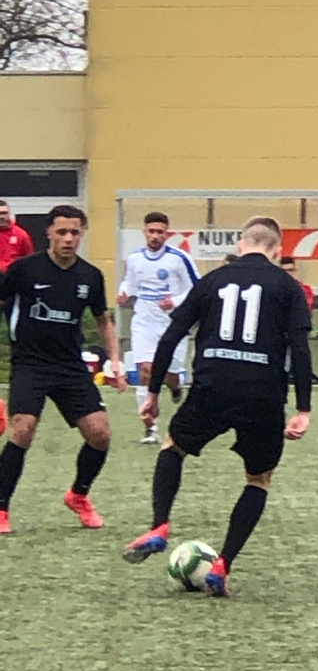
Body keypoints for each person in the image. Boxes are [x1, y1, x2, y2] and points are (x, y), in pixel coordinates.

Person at [122, 216, 312, 597]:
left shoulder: (212, 280)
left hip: (213, 384)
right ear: (276, 251)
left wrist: (154, 392)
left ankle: (160, 525)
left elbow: (171, 335)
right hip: (263, 392)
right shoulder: (288, 286)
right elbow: (301, 349)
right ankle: (222, 565)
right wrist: (303, 409)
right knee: (258, 479)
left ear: (240, 245)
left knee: (173, 446)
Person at [0, 205, 126, 535]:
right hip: (30, 364)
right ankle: (1, 507)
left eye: (75, 232)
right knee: (23, 430)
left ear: (82, 234)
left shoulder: (90, 276)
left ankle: (78, 495)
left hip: (70, 366)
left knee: (100, 434)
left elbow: (103, 320)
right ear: (49, 233)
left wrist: (115, 360)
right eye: (62, 232)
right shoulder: (24, 270)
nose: (68, 238)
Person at [117, 212, 200, 444]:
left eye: (160, 232)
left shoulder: (179, 258)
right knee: (145, 370)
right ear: (144, 232)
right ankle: (150, 428)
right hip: (144, 322)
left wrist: (174, 301)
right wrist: (124, 292)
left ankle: (175, 386)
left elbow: (197, 287)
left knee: (169, 374)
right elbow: (130, 282)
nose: (155, 236)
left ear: (167, 233)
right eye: (151, 231)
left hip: (173, 324)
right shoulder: (135, 258)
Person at [279, 256, 318, 383]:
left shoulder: (304, 289)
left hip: (298, 324)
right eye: (285, 271)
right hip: (281, 325)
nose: (288, 274)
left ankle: (302, 373)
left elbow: (308, 305)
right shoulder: (277, 288)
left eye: (290, 270)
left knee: (301, 349)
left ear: (295, 271)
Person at [0, 200, 34, 272]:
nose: (1, 217)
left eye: (4, 213)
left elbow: (30, 258)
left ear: (9, 214)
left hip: (13, 275)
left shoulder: (21, 234)